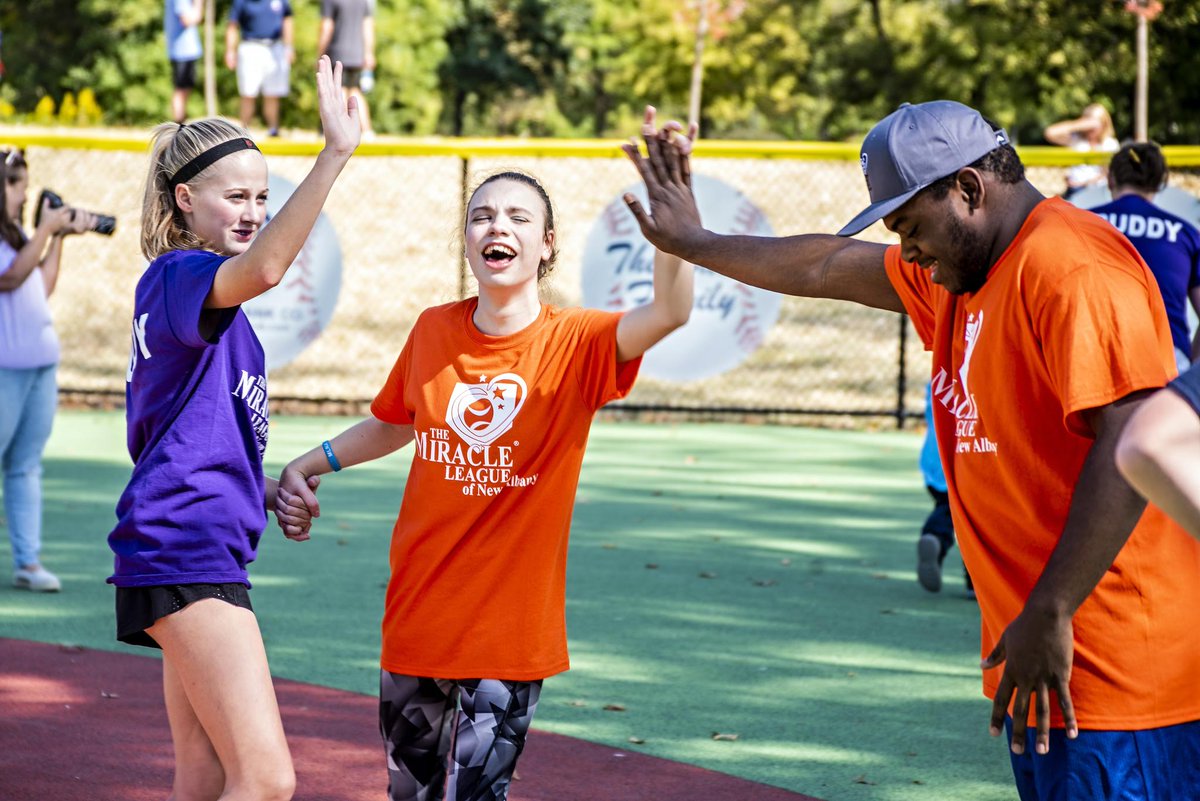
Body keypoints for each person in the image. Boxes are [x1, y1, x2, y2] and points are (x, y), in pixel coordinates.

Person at [624, 99, 1200, 800]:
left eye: (910, 227)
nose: (908, 251)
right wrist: (694, 241)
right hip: (1051, 664)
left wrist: (1050, 608)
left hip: (1115, 670)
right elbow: (826, 265)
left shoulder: (1070, 268)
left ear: (967, 188)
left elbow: (1132, 441)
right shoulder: (966, 270)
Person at [274, 113, 695, 801]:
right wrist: (310, 461)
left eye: (518, 218)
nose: (497, 227)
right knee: (408, 795)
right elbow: (394, 421)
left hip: (506, 635)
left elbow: (671, 311)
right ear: (467, 240)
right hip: (417, 618)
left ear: (546, 244)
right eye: (481, 216)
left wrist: (677, 225)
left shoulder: (580, 342)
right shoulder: (433, 328)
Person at [106, 56, 356, 801]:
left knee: (208, 776)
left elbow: (207, 434)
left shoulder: (214, 308)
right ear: (184, 199)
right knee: (266, 778)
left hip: (192, 544)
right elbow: (271, 266)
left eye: (262, 196)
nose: (253, 211)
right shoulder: (182, 275)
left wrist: (276, 483)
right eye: (235, 196)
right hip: (183, 546)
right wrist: (334, 154)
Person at [1, 148, 98, 593]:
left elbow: (41, 284)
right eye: (15, 180)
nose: (22, 190)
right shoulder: (22, 236)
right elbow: (11, 278)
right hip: (5, 369)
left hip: (39, 365)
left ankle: (28, 561)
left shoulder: (21, 232)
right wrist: (47, 228)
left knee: (25, 466)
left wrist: (57, 238)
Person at [1089, 142, 1200, 373]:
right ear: (1161, 182)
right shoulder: (1185, 234)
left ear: (1111, 179)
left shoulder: (1081, 225)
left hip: (1096, 352)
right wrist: (1189, 366)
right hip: (1167, 357)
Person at [916, 381, 973, 600]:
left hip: (934, 462)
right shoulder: (981, 373)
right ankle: (975, 581)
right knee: (977, 524)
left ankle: (935, 538)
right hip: (967, 459)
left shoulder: (937, 378)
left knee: (946, 508)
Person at [226, 0, 294, 137]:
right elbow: (232, 26)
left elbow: (287, 20)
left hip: (275, 48)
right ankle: (243, 132)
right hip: (250, 47)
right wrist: (230, 51)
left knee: (273, 94)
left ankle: (273, 130)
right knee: (248, 93)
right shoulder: (241, 2)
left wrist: (289, 46)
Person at [316, 0, 375, 138]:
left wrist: (320, 53)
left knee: (338, 91)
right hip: (357, 53)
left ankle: (336, 130)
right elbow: (367, 26)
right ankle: (367, 131)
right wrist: (369, 52)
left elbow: (327, 26)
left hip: (337, 52)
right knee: (355, 91)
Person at [1043, 103, 1119, 200]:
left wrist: (1084, 183)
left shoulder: (1110, 144)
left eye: (1096, 120)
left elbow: (1107, 174)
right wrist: (1080, 124)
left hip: (1099, 191)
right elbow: (1050, 133)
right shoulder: (1077, 140)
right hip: (1075, 191)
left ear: (1104, 123)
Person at [165, 0, 203, 124]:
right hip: (181, 50)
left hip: (187, 50)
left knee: (186, 87)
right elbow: (187, 19)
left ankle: (181, 121)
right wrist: (198, 4)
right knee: (180, 89)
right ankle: (178, 123)